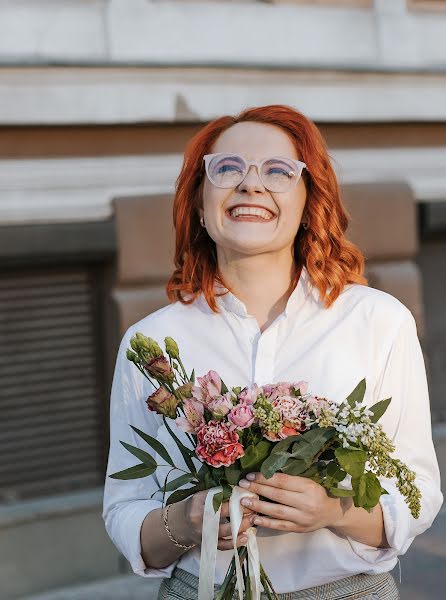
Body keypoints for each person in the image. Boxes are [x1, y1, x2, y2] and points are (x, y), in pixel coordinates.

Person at [102, 105, 443, 599]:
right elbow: (124, 509)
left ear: (309, 200)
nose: (251, 184)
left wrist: (332, 511)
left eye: (278, 171)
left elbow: (417, 493)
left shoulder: (378, 322)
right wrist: (189, 519)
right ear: (200, 203)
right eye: (228, 169)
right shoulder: (149, 345)